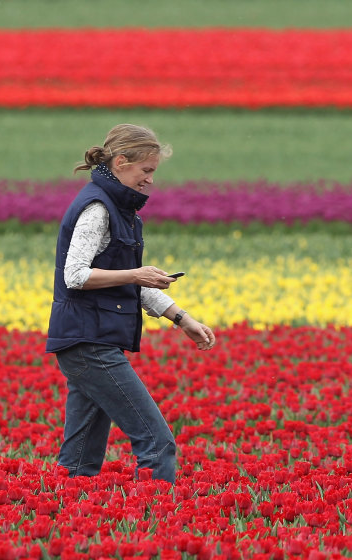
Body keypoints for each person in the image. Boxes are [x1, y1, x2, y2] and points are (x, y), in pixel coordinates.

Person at [46, 123, 216, 484]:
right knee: (156, 443)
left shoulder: (120, 210)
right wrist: (135, 274)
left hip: (90, 340)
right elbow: (75, 275)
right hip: (89, 343)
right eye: (147, 171)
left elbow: (127, 279)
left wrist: (181, 318)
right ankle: (154, 523)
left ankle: (65, 519)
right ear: (121, 162)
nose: (150, 180)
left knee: (80, 460)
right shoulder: (98, 209)